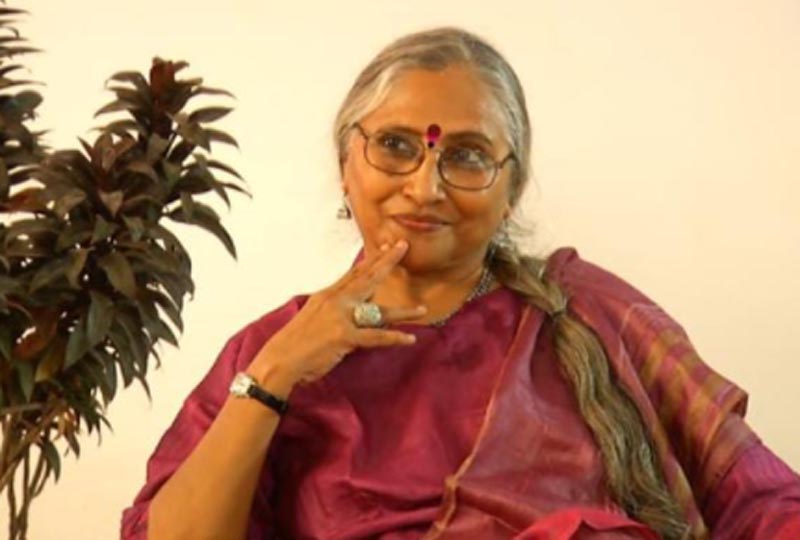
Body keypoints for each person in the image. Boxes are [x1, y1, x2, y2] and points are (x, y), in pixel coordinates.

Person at [120, 27, 800, 540]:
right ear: (346, 162)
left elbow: (759, 497)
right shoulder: (272, 349)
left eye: (467, 156)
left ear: (511, 190)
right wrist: (275, 375)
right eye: (395, 145)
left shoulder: (591, 313)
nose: (425, 187)